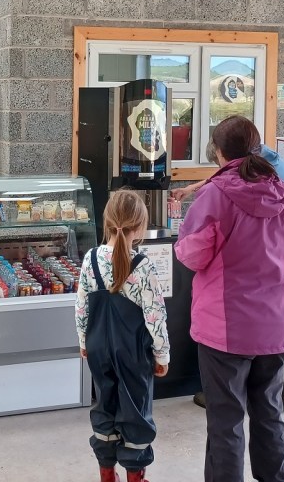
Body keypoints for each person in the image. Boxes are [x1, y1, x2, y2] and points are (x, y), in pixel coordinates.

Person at [175, 117, 284, 482]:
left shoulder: (215, 196)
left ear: (218, 152)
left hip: (225, 330)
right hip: (276, 328)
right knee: (269, 416)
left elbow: (192, 255)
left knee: (226, 422)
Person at [76, 189, 170, 482]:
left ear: (107, 222)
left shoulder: (90, 259)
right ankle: (135, 476)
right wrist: (162, 355)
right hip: (132, 353)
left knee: (105, 405)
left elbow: (81, 307)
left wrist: (83, 342)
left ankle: (106, 474)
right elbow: (155, 317)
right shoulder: (143, 266)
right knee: (135, 412)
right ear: (140, 227)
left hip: (99, 348)